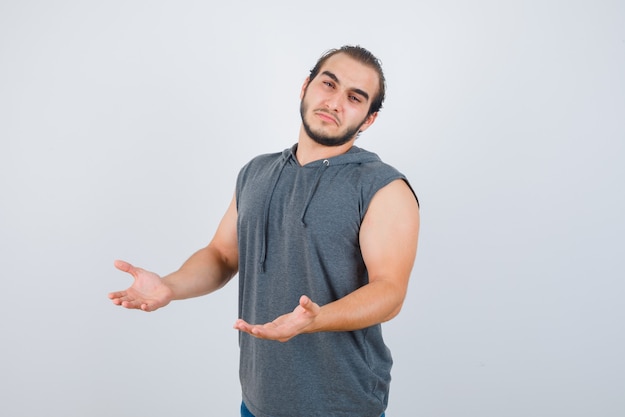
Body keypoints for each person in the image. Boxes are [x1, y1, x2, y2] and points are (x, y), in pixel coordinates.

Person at [109, 45, 420, 417]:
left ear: (368, 119)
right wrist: (170, 286)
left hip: (341, 407)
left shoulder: (382, 187)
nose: (335, 103)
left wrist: (317, 319)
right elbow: (222, 256)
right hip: (257, 403)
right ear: (306, 87)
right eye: (328, 84)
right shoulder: (256, 172)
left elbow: (390, 292)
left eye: (354, 98)